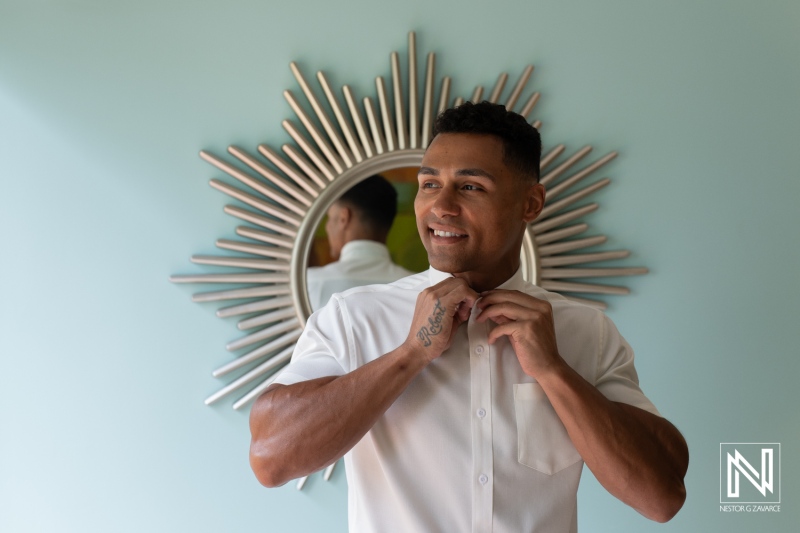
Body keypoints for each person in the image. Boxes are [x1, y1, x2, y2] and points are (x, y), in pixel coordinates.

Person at [249, 102, 689, 532]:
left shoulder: (585, 331)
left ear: (530, 203)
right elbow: (271, 458)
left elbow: (661, 496)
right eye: (428, 184)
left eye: (470, 187)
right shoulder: (352, 317)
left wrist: (553, 371)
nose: (441, 206)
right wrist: (410, 354)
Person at [307, 174, 414, 311]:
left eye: (329, 217)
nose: (327, 226)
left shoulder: (310, 284)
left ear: (343, 218)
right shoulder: (418, 287)